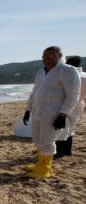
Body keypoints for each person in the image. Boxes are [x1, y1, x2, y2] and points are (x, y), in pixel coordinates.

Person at [22, 46, 81, 178]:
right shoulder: (41, 72)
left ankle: (45, 169)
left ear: (59, 55)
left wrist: (63, 114)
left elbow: (73, 95)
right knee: (38, 139)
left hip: (53, 112)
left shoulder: (67, 71)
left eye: (51, 55)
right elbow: (34, 92)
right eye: (44, 56)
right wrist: (28, 109)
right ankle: (40, 163)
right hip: (38, 111)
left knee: (48, 139)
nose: (46, 58)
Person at [54, 56, 86, 158]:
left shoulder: (67, 75)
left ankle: (60, 151)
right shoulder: (84, 76)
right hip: (80, 104)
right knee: (71, 128)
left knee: (61, 128)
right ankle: (67, 151)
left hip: (66, 104)